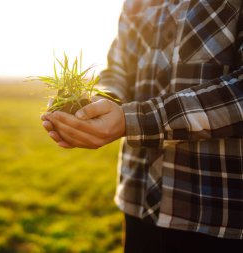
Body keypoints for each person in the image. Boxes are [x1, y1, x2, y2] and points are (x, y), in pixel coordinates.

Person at [41, 0, 243, 252]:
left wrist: (132, 120)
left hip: (218, 214)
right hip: (138, 201)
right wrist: (94, 105)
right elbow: (117, 71)